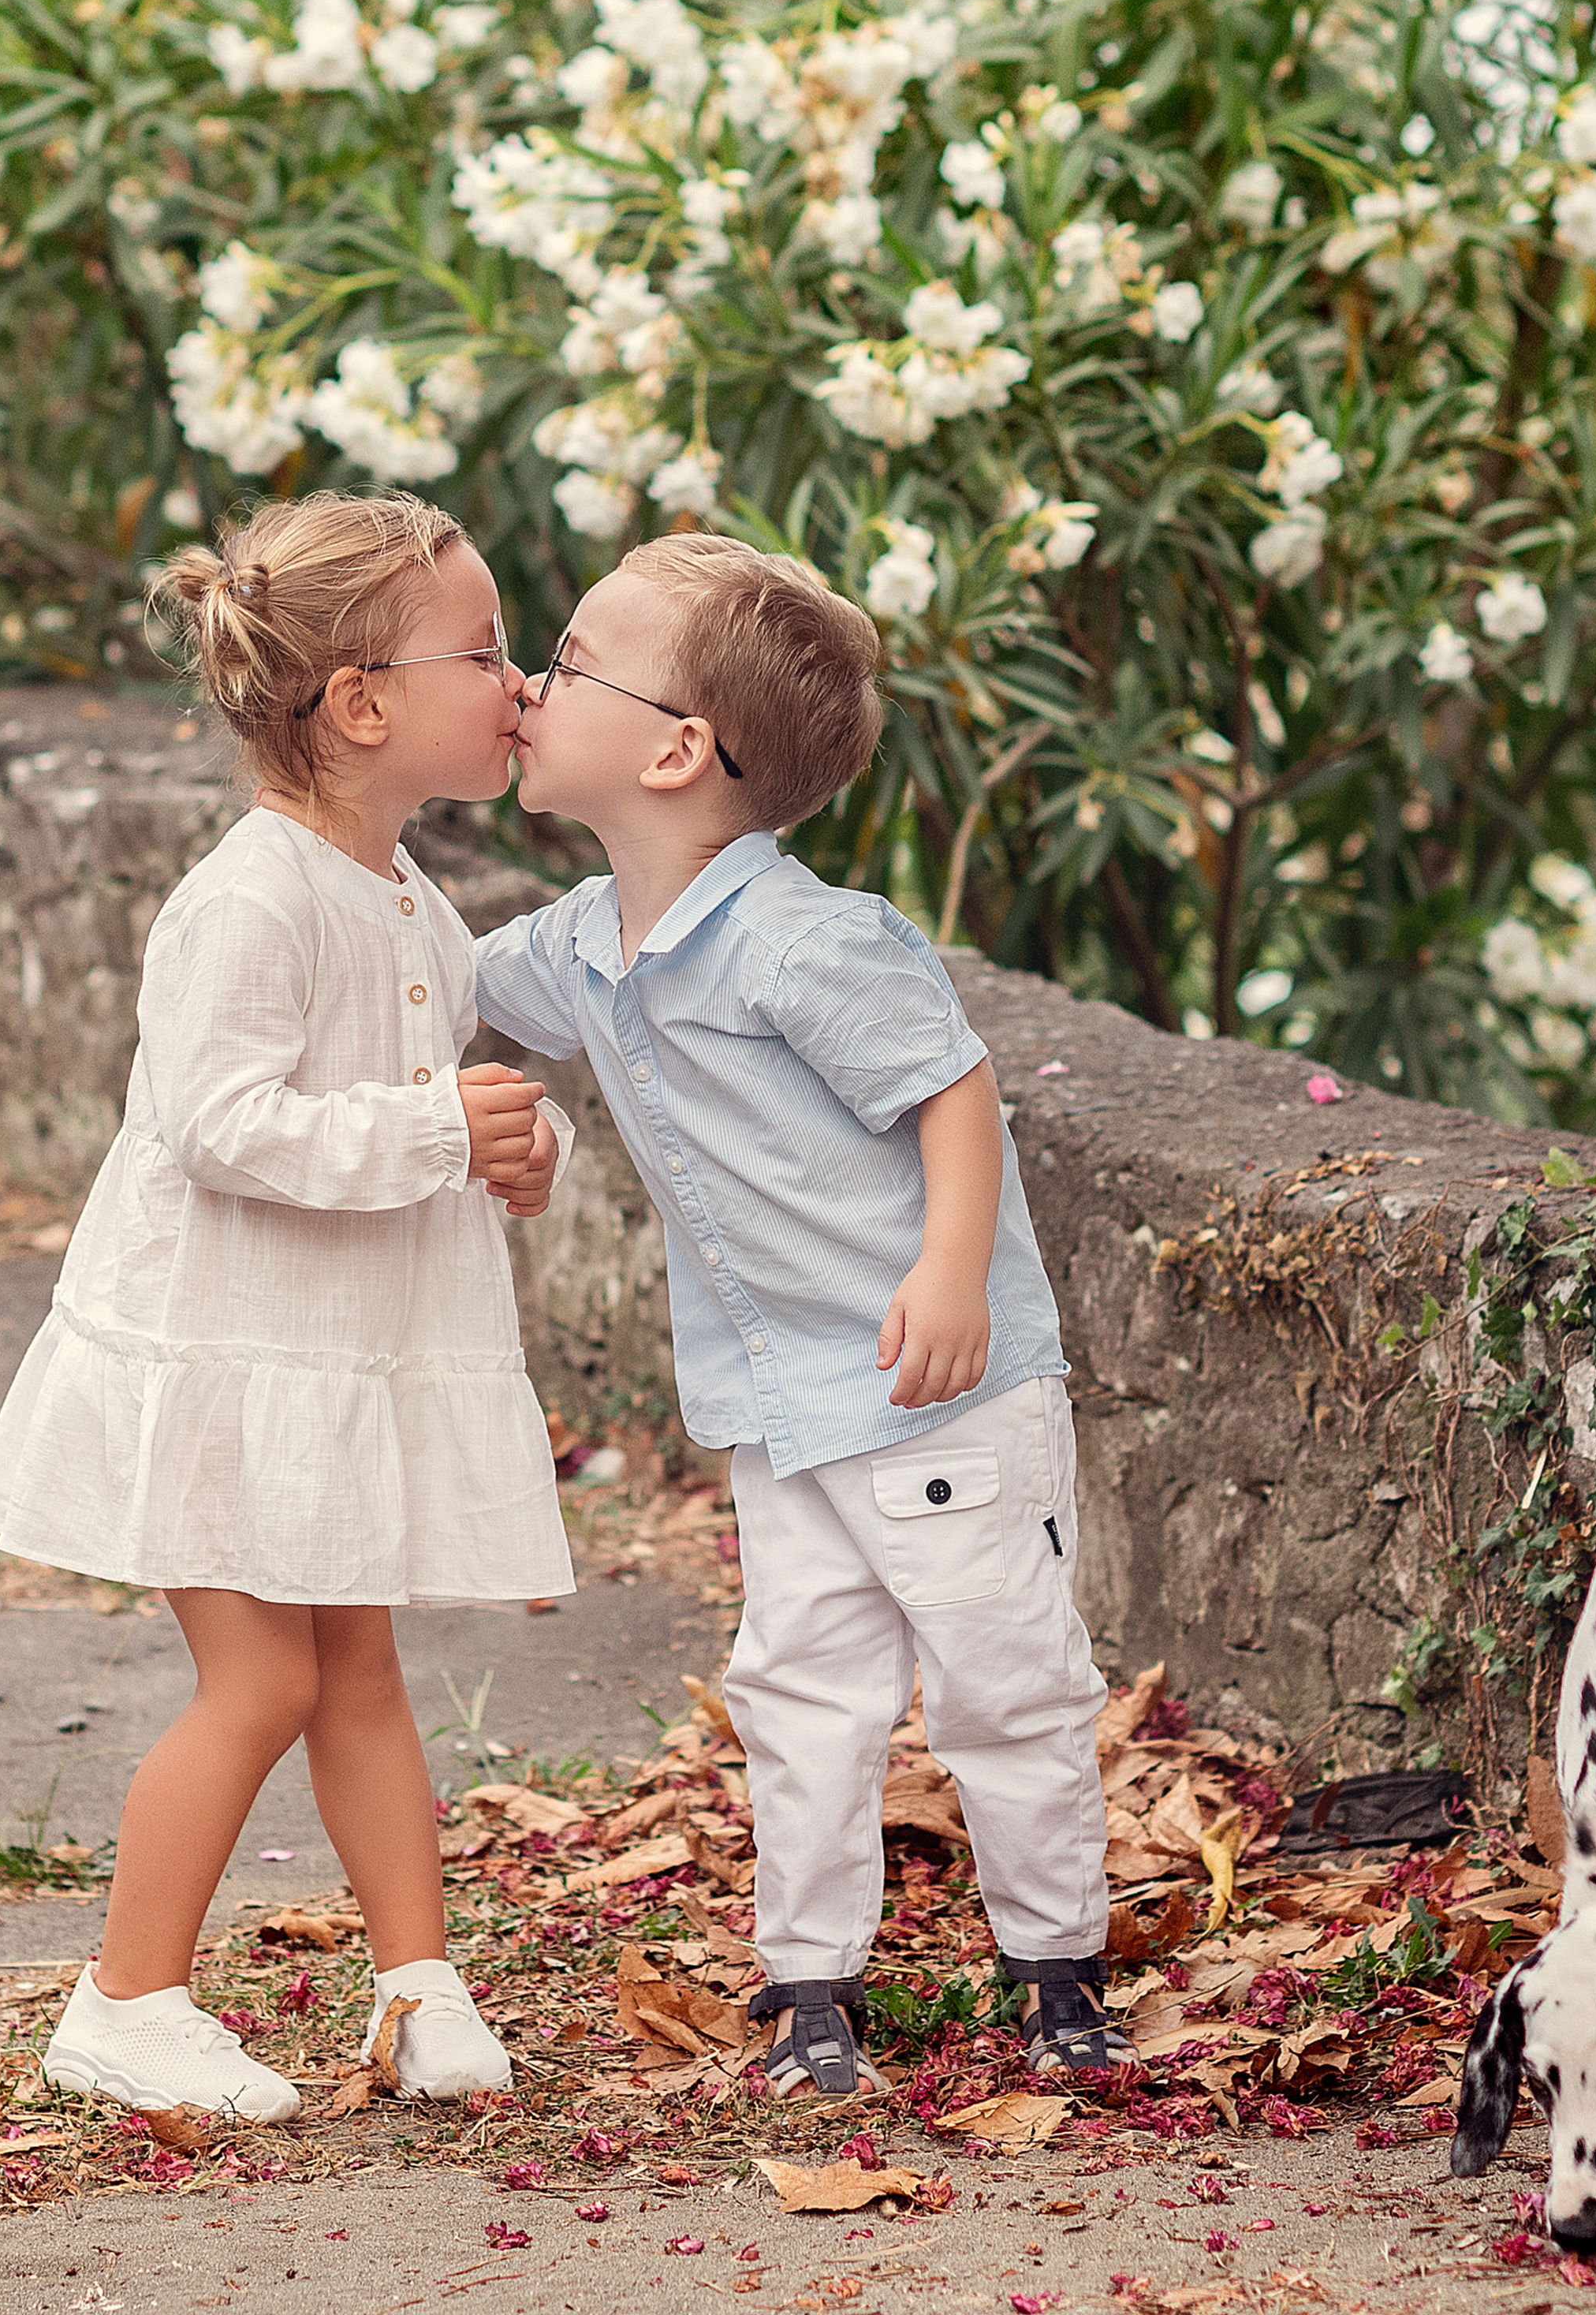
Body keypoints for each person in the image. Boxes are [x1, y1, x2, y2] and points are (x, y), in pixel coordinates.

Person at [470, 532, 1123, 2097]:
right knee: (800, 1683)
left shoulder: (804, 941)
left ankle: (1057, 1970)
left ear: (678, 749)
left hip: (936, 1387)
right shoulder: (575, 945)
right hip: (782, 1407)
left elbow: (954, 1094)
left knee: (1001, 1685)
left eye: (562, 662)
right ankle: (807, 1990)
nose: (523, 686)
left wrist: (951, 1270)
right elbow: (440, 986)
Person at [0, 491, 571, 2121]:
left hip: (325, 1361)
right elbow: (216, 1127)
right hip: (223, 1362)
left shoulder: (411, 902)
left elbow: (427, 1100)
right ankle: (124, 1998)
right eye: (488, 653)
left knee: (356, 1668)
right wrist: (441, 1127)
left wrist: (508, 1144)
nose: (518, 685)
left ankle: (417, 1982)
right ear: (364, 704)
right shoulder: (251, 898)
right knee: (268, 1682)